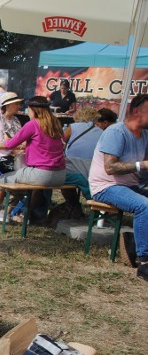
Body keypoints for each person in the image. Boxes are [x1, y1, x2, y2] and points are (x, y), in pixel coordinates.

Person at [0, 96, 66, 224]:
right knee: (36, 189)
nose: (27, 112)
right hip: (60, 175)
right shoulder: (56, 124)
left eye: (28, 109)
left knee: (2, 181)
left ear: (33, 110)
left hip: (42, 173)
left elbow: (10, 144)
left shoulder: (33, 124)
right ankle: (25, 216)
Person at [88, 93, 148, 280]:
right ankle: (144, 262)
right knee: (144, 206)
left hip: (129, 185)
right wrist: (143, 165)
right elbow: (110, 167)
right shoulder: (116, 132)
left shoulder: (144, 134)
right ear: (137, 111)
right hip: (105, 187)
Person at [61, 107, 118, 207]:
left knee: (60, 179)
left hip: (73, 170)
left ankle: (73, 206)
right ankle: (78, 208)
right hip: (94, 172)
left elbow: (59, 143)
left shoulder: (73, 127)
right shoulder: (103, 133)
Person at [0, 91, 24, 180]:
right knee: (21, 172)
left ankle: (17, 193)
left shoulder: (16, 120)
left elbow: (21, 139)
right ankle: (13, 192)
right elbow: (0, 143)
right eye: (16, 104)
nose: (19, 106)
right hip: (0, 155)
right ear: (8, 105)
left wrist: (17, 145)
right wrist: (17, 146)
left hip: (16, 153)